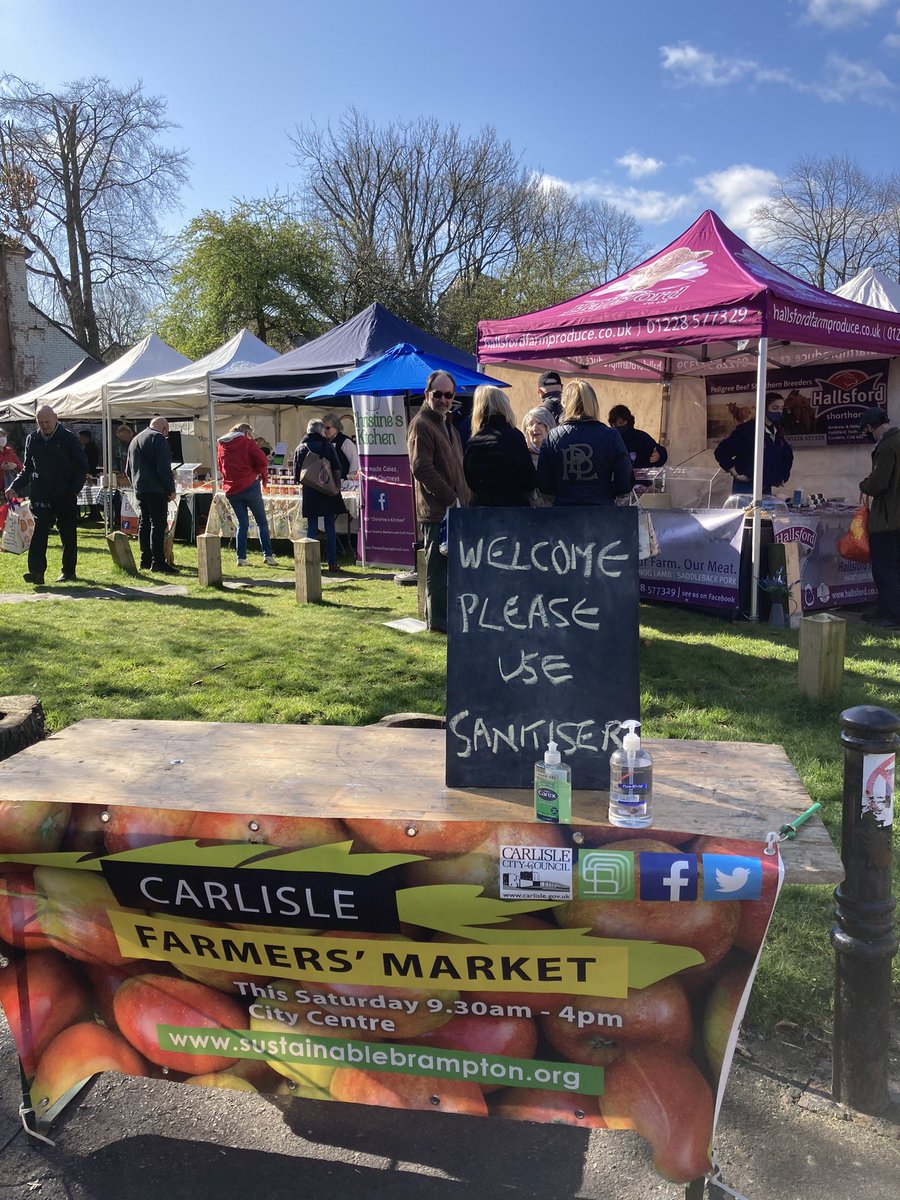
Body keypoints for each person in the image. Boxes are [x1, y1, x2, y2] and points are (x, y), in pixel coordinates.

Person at [407, 369, 470, 632]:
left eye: (448, 394)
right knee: (437, 570)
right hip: (437, 512)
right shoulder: (422, 424)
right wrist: (450, 498)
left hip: (454, 510)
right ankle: (438, 623)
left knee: (450, 568)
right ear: (427, 394)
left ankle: (445, 617)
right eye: (438, 394)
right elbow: (421, 468)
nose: (443, 399)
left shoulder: (448, 425)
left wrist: (463, 500)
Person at [5, 405, 87, 585]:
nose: (45, 426)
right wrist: (15, 486)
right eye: (41, 423)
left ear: (56, 418)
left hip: (64, 494)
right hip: (40, 493)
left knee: (67, 534)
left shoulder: (68, 438)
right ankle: (36, 572)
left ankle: (68, 571)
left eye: (47, 422)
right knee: (38, 533)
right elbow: (27, 468)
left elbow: (81, 467)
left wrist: (73, 490)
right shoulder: (32, 439)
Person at [536, 379, 633, 506]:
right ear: (594, 404)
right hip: (601, 514)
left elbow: (544, 484)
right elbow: (624, 482)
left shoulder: (552, 437)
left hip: (563, 515)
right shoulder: (611, 436)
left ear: (565, 404)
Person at [858, 406, 900, 630]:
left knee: (885, 568)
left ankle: (892, 615)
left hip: (888, 518)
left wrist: (864, 484)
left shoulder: (887, 446)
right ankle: (886, 609)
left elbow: (878, 484)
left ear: (869, 427)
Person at [217, 422, 278, 568]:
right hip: (250, 486)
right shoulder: (246, 442)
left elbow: (221, 466)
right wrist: (257, 470)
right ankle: (268, 556)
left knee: (242, 524)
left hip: (232, 488)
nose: (251, 437)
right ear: (246, 432)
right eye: (250, 434)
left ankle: (241, 558)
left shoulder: (221, 445)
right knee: (261, 522)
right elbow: (262, 460)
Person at [463, 386, 536, 507]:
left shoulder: (473, 441)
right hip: (513, 509)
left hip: (482, 510)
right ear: (504, 407)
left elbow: (470, 481)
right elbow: (528, 479)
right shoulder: (515, 437)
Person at [714, 392, 793, 495]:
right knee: (746, 511)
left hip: (765, 488)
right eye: (775, 408)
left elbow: (787, 455)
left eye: (781, 409)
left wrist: (782, 476)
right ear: (764, 408)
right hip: (745, 488)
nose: (778, 412)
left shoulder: (777, 432)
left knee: (765, 511)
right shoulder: (747, 430)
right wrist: (735, 473)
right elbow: (721, 451)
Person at [126, 417, 177, 574]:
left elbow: (128, 469)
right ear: (164, 429)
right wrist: (170, 489)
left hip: (140, 489)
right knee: (158, 524)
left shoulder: (135, 439)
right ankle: (158, 562)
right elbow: (163, 467)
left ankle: (145, 560)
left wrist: (136, 484)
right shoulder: (158, 438)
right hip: (156, 489)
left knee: (144, 523)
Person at [293, 418, 344, 574]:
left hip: (309, 490)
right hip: (327, 488)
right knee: (329, 526)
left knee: (312, 526)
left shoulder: (300, 447)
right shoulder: (327, 446)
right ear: (321, 431)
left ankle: (311, 562)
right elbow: (337, 467)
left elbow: (296, 474)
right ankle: (332, 563)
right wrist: (335, 485)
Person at [607, 405, 668, 469]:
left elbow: (658, 450)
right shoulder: (609, 440)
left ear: (628, 421)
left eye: (621, 422)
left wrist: (659, 455)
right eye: (615, 424)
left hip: (639, 477)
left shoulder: (640, 437)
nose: (618, 426)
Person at [322, 413, 359, 478]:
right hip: (328, 482)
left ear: (336, 427)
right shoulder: (324, 442)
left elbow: (354, 461)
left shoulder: (345, 441)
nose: (325, 430)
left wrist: (350, 479)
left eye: (328, 428)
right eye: (323, 428)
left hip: (343, 481)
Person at [0, 428, 24, 492]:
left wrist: (15, 465)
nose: (2, 438)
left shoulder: (9, 450)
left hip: (11, 488)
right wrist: (1, 468)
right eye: (0, 437)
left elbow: (21, 467)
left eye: (4, 436)